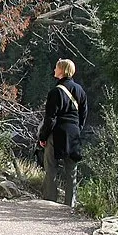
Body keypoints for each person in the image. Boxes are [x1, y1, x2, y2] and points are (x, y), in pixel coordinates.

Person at [38, 58, 88, 207]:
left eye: (56, 67)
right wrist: (77, 130)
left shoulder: (55, 92)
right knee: (71, 170)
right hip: (74, 133)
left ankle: (50, 202)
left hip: (57, 132)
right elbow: (83, 115)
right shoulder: (80, 91)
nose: (54, 69)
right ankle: (70, 205)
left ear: (62, 71)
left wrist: (43, 136)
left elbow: (50, 117)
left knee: (51, 167)